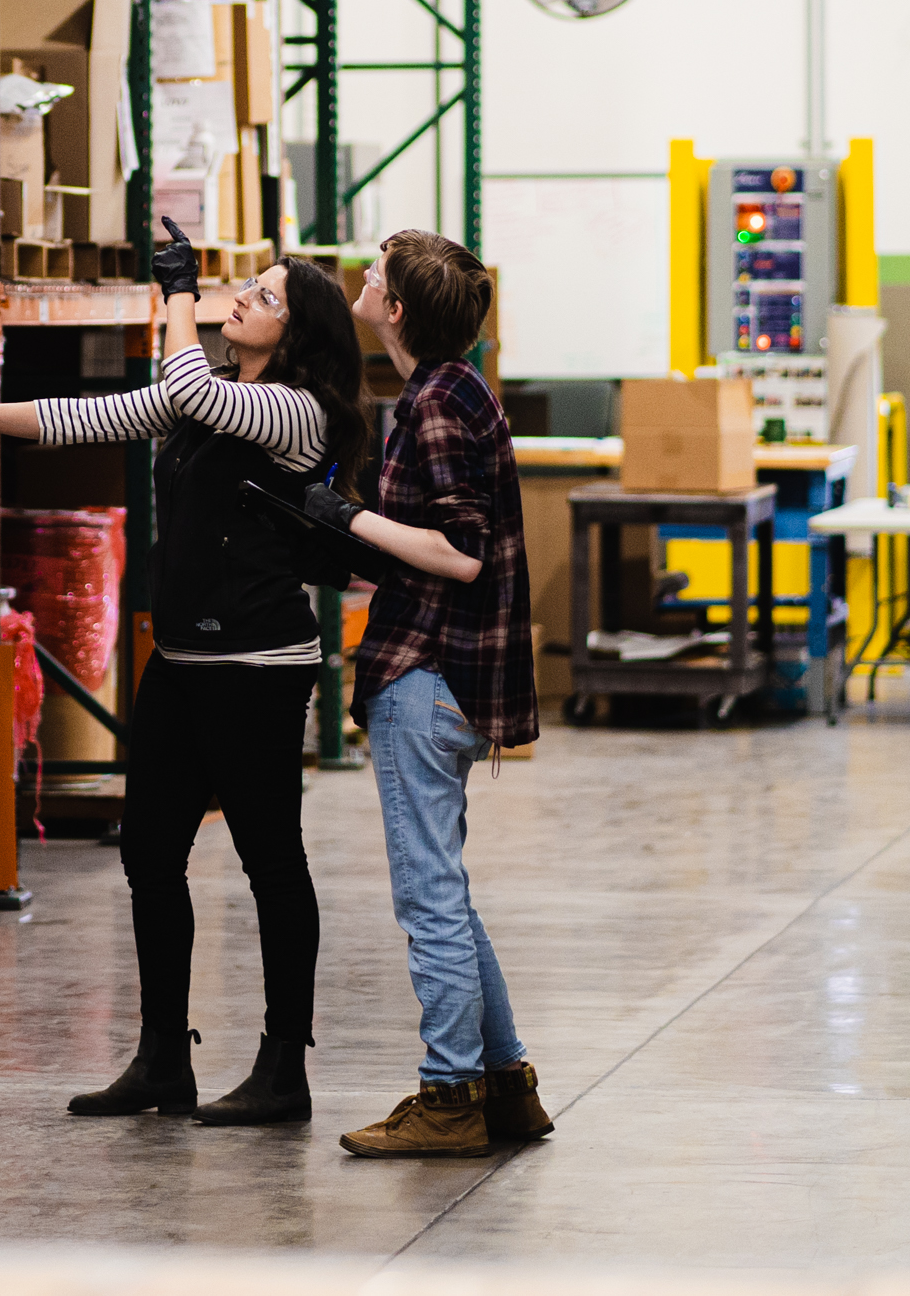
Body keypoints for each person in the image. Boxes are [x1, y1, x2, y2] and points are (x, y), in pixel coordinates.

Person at [0, 235, 479, 1129]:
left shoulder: (298, 411)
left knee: (270, 863)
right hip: (178, 664)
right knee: (147, 856)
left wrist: (174, 296)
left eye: (265, 296)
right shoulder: (204, 400)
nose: (239, 299)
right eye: (241, 288)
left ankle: (283, 1069)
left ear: (299, 333)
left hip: (256, 671)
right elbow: (81, 418)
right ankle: (162, 1058)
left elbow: (182, 388)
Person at [331, 229, 544, 1160]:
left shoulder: (436, 404)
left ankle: (446, 1097)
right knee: (445, 894)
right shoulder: (443, 390)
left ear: (400, 310)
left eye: (373, 277)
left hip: (428, 675)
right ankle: (507, 1088)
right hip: (442, 674)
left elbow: (459, 551)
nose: (361, 285)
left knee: (427, 899)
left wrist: (350, 519)